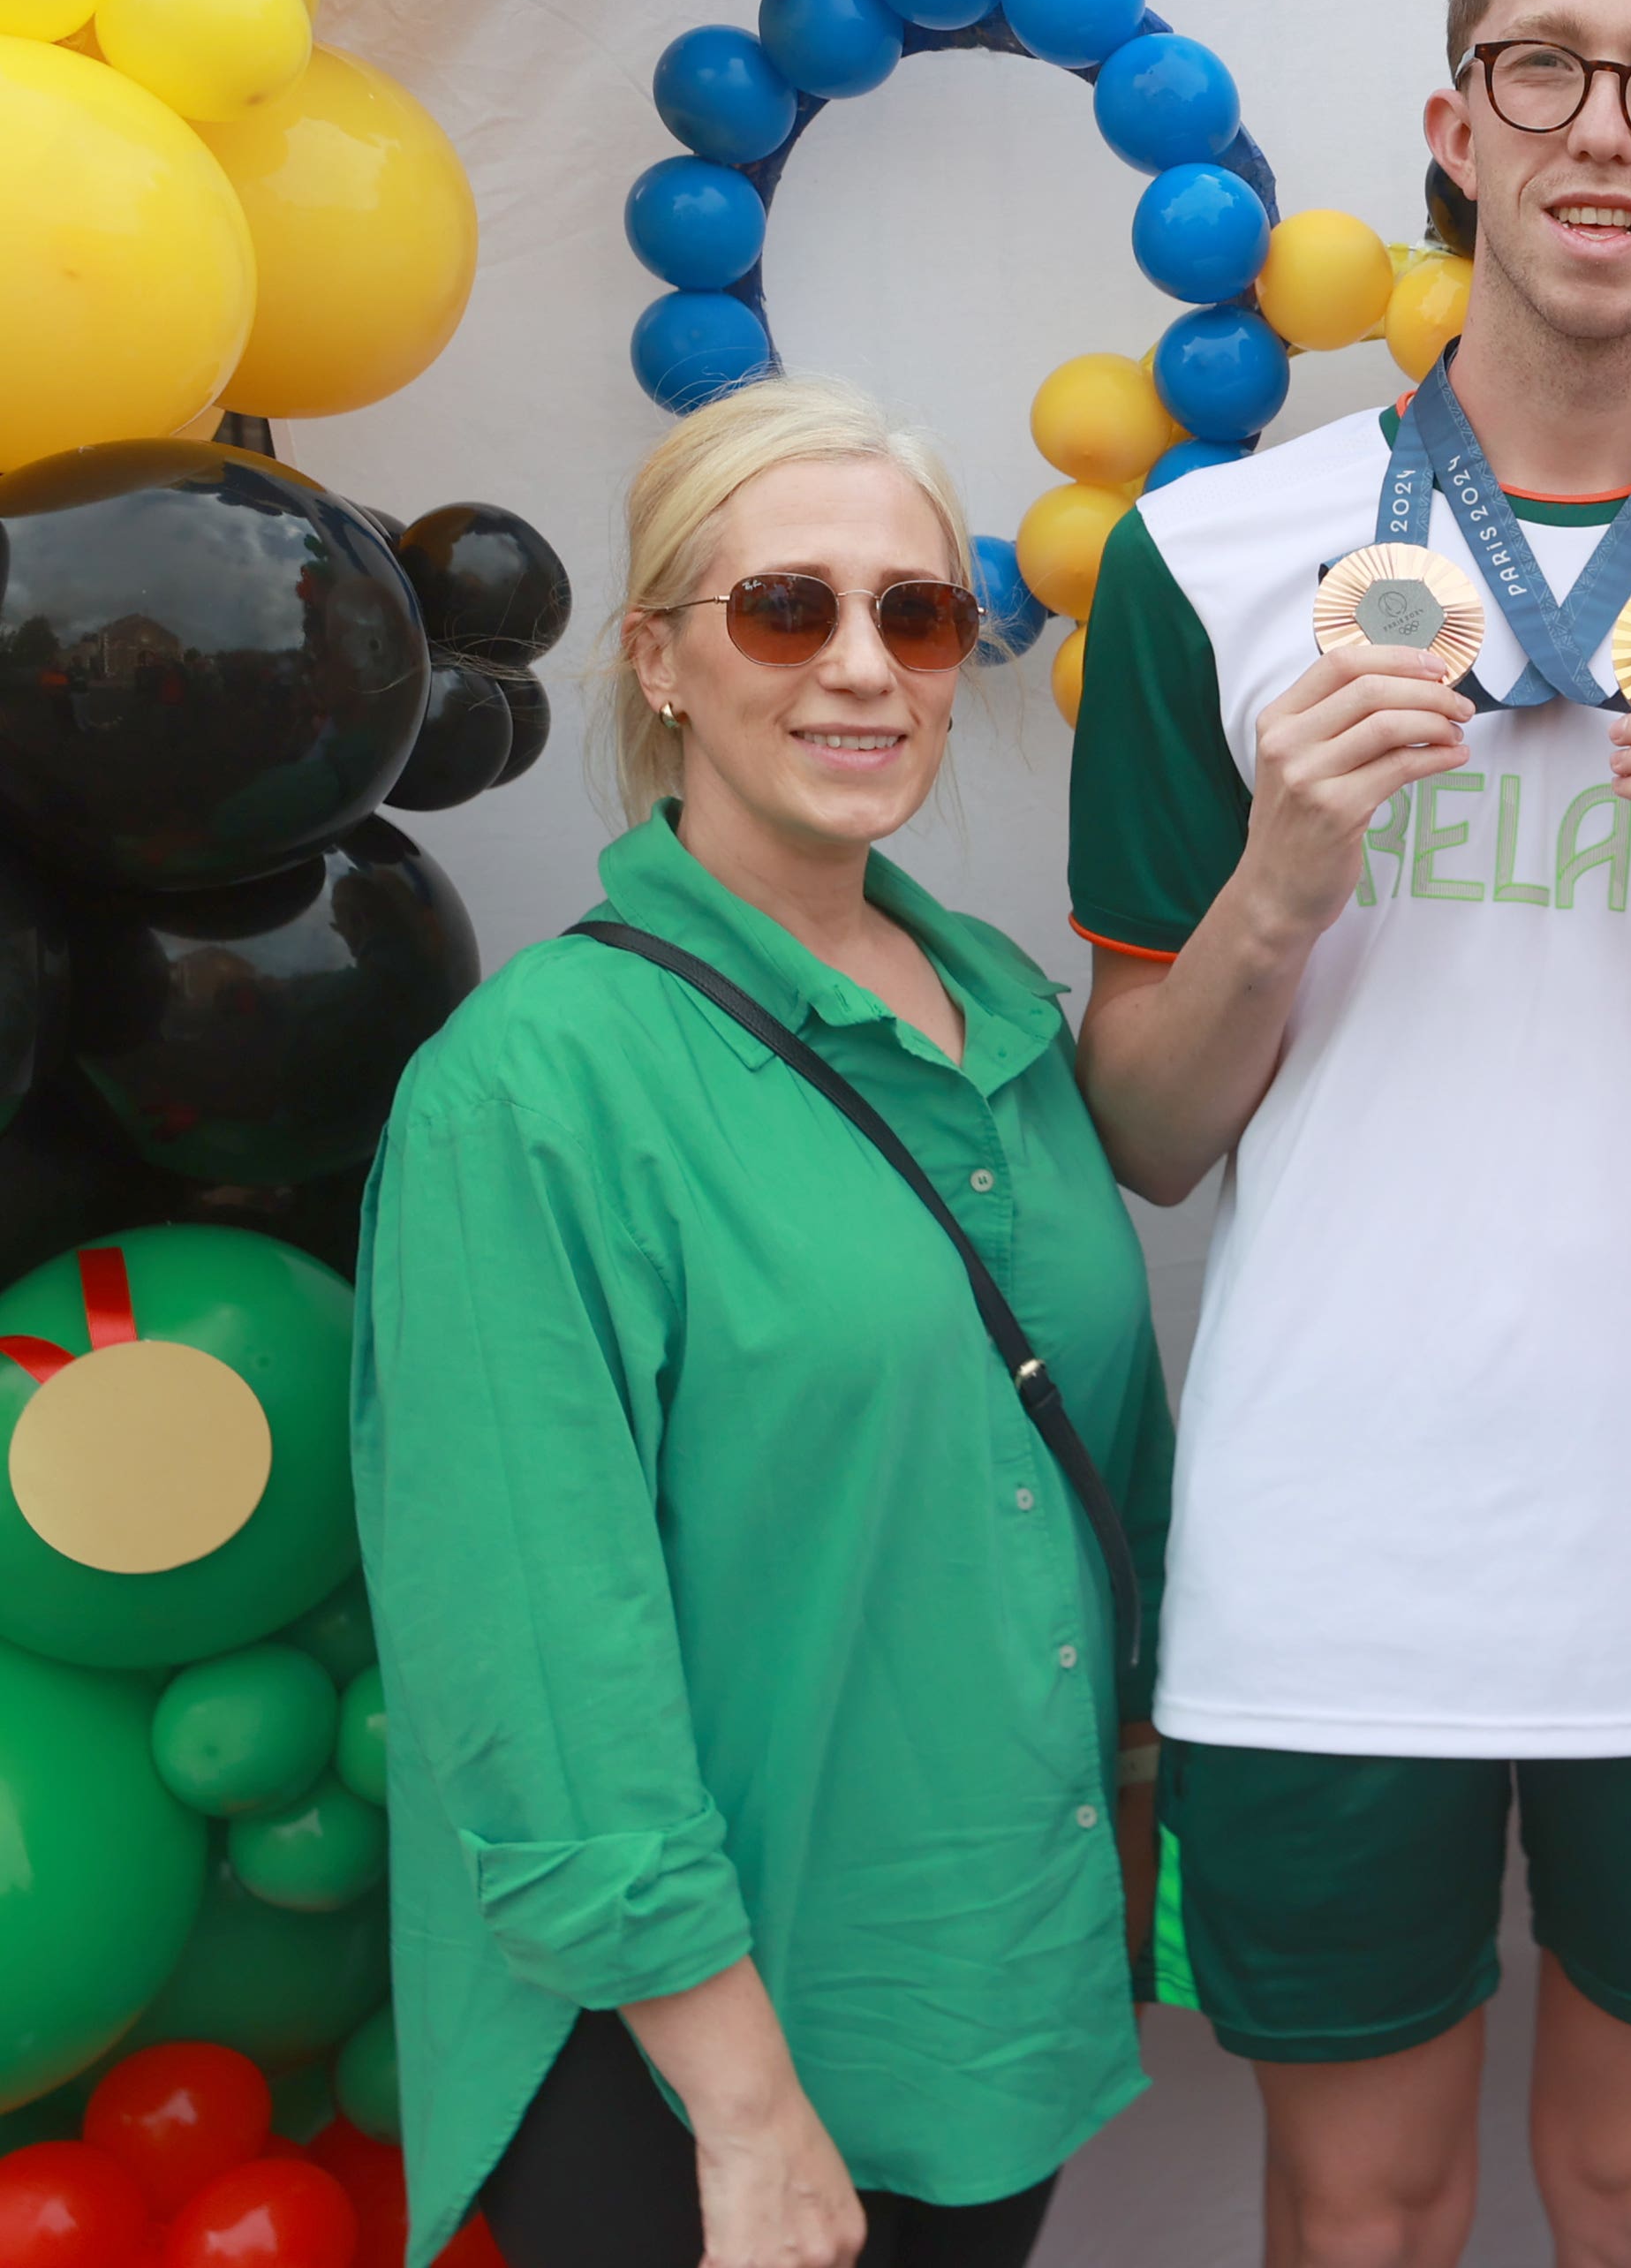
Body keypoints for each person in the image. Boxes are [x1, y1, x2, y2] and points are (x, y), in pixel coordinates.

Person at [1064, 0, 1631, 2268]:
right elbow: (1140, 1131)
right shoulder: (1217, 555)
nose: (1604, 127)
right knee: (1359, 2215)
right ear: (1453, 123)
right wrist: (1283, 885)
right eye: (1545, 63)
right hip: (1328, 1559)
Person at [354, 374, 1171, 2268]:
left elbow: (1089, 1472)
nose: (861, 667)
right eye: (787, 607)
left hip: (981, 1996)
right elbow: (534, 1644)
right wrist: (738, 2093)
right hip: (685, 2052)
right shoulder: (533, 1086)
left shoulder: (1016, 1034)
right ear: (659, 659)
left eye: (919, 610)